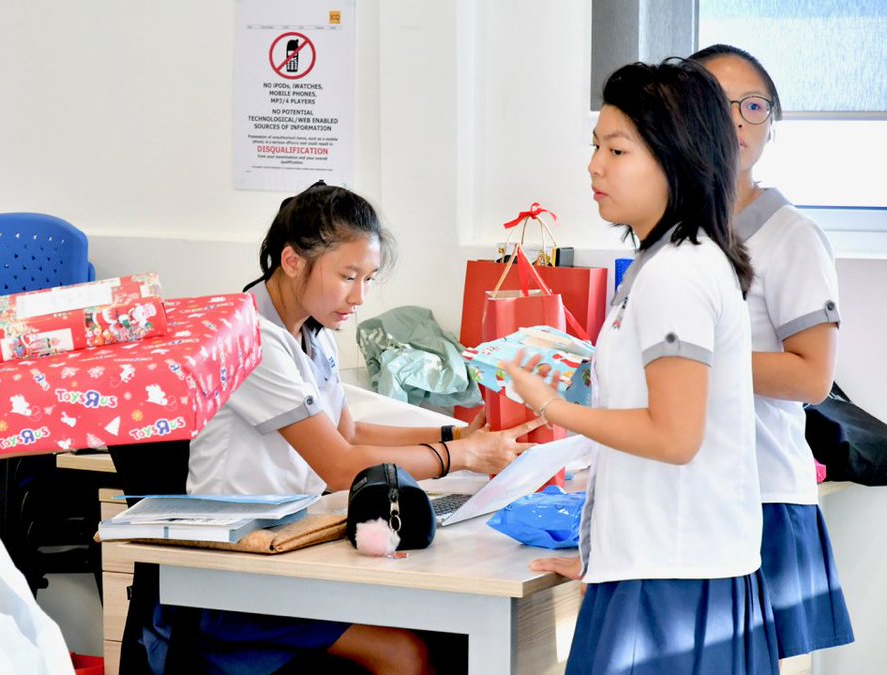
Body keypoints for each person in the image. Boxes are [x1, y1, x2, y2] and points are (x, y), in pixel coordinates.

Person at [145, 182, 543, 674]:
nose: (359, 297)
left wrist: (457, 437)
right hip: (237, 575)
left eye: (368, 278)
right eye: (348, 276)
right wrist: (462, 458)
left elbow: (350, 435)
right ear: (292, 261)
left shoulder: (312, 332)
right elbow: (338, 465)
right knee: (406, 653)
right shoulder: (248, 340)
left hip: (293, 549)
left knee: (443, 638)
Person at [501, 60, 778, 673]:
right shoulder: (669, 261)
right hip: (660, 566)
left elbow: (674, 437)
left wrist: (551, 407)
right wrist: (602, 549)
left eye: (617, 149)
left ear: (674, 157)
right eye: (597, 145)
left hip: (671, 585)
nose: (595, 166)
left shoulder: (677, 272)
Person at [690, 43, 854, 660]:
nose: (736, 121)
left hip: (764, 500)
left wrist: (684, 366)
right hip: (691, 498)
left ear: (772, 124)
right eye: (716, 103)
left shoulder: (793, 237)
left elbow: (813, 377)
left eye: (753, 106)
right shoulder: (671, 234)